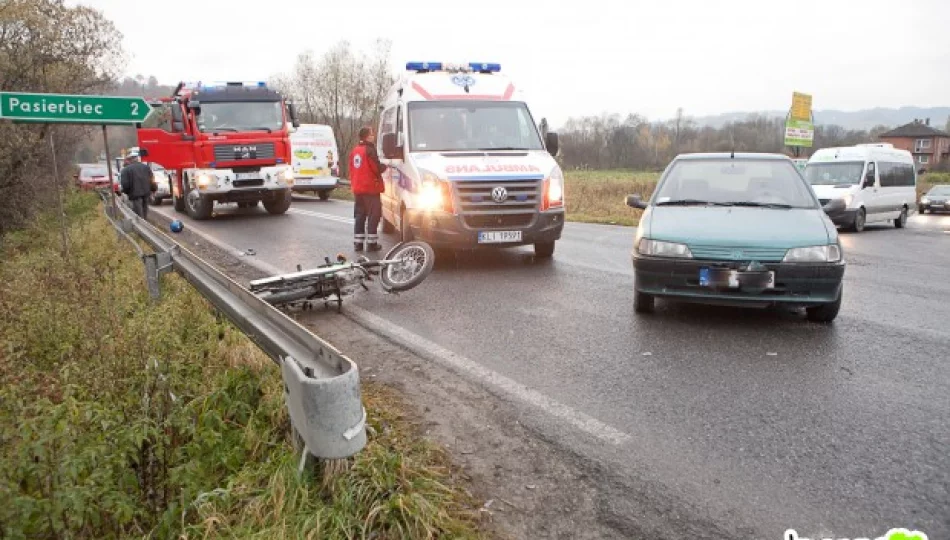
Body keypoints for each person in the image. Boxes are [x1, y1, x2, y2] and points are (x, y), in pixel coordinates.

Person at [349, 126, 388, 252]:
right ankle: (372, 243)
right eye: (371, 134)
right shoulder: (369, 150)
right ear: (367, 136)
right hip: (370, 188)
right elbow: (375, 168)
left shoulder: (355, 150)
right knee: (374, 215)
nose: (373, 136)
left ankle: (358, 244)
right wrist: (384, 166)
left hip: (358, 188)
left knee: (360, 215)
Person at [119, 150, 156, 219]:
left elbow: (125, 184)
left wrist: (127, 192)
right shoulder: (146, 167)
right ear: (137, 159)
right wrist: (153, 190)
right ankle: (145, 225)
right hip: (146, 194)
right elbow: (152, 180)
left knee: (138, 215)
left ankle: (142, 226)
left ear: (129, 160)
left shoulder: (125, 170)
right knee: (145, 213)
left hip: (135, 195)